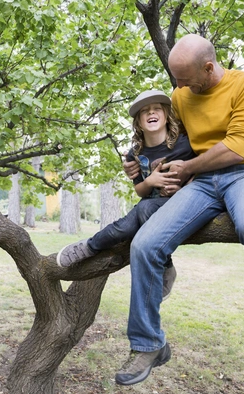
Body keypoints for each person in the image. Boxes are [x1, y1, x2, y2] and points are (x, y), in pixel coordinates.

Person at [114, 34, 244, 387]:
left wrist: (188, 168)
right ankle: (148, 344)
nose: (178, 88)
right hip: (200, 181)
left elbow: (238, 148)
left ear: (209, 67)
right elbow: (168, 140)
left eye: (184, 79)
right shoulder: (182, 97)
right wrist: (138, 166)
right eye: (176, 79)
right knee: (144, 245)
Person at [57, 89, 196, 301]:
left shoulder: (184, 143)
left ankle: (165, 266)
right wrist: (150, 181)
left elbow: (202, 171)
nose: (151, 113)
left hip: (179, 204)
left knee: (144, 210)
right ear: (139, 122)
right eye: (145, 111)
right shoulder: (136, 154)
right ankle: (88, 247)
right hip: (150, 203)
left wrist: (184, 186)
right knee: (122, 228)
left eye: (157, 109)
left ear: (167, 116)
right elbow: (140, 190)